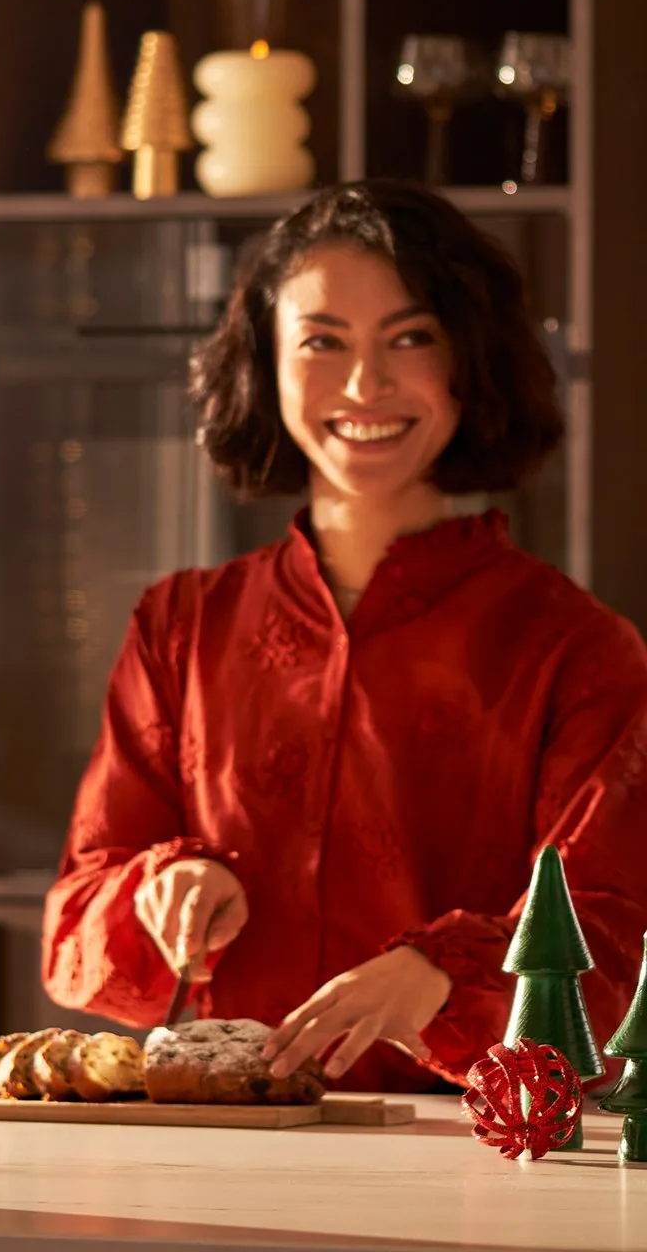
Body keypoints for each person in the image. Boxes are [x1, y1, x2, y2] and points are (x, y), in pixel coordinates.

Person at [40, 180, 647, 1092]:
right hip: (222, 1152)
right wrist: (161, 891)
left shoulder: (577, 649)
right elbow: (75, 923)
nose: (366, 385)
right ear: (267, 364)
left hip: (477, 1172)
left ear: (469, 360)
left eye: (411, 339)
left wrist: (441, 973)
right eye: (324, 342)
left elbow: (612, 941)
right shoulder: (180, 627)